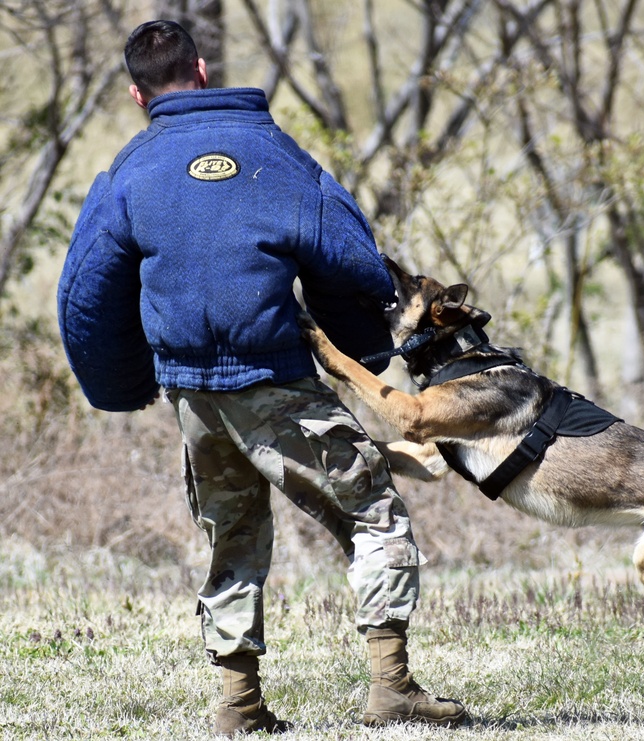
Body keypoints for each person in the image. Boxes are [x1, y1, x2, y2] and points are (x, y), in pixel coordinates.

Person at [57, 19, 466, 736]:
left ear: (136, 94)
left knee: (233, 534)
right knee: (373, 513)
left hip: (193, 395)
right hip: (274, 380)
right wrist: (365, 350)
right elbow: (351, 255)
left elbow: (85, 294)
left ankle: (238, 704)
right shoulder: (274, 154)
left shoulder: (128, 170)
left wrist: (123, 385)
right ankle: (392, 688)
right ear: (204, 70)